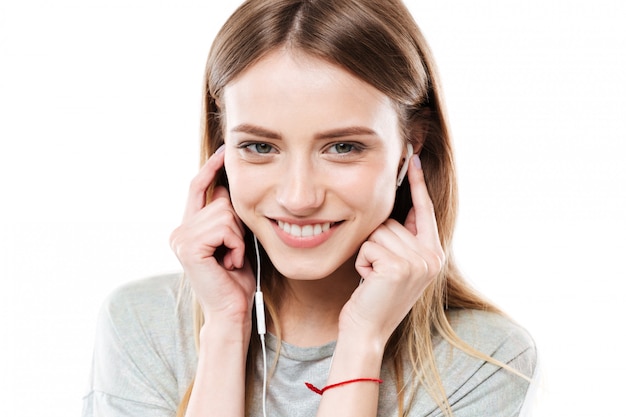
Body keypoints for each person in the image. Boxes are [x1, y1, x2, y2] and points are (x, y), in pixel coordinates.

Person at [82, 0, 537, 416]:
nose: (298, 198)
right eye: (260, 146)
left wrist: (362, 339)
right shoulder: (142, 326)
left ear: (408, 151)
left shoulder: (484, 361)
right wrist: (224, 330)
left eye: (342, 147)